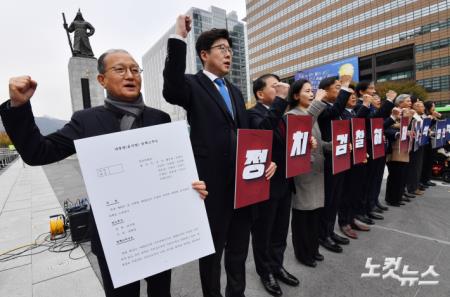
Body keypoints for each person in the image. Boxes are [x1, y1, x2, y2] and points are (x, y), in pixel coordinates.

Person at [0, 49, 208, 297]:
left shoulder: (160, 119)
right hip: (115, 236)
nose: (130, 75)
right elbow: (38, 153)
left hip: (158, 229)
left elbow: (173, 170)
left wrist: (191, 186)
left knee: (161, 291)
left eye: (134, 69)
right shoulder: (86, 121)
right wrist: (19, 107)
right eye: (119, 70)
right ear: (101, 80)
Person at [162, 16, 276, 297]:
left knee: (238, 251)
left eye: (230, 48)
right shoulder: (192, 85)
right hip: (211, 186)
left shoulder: (236, 91)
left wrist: (265, 161)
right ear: (204, 54)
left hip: (242, 187)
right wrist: (179, 37)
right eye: (221, 48)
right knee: (211, 254)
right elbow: (171, 89)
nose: (228, 53)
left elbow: (248, 134)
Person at [248, 74, 299, 297]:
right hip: (265, 186)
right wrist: (280, 100)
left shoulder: (284, 117)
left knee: (280, 231)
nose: (282, 89)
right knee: (263, 233)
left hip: (286, 183)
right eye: (275, 86)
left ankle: (278, 266)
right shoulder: (253, 114)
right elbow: (262, 135)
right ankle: (265, 271)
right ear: (260, 94)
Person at [285, 79, 327, 268]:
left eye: (313, 91)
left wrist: (335, 146)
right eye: (308, 91)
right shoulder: (291, 115)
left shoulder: (310, 116)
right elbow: (302, 128)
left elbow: (319, 143)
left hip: (317, 171)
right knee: (303, 215)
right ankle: (303, 253)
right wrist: (318, 102)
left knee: (315, 213)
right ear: (295, 95)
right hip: (302, 174)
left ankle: (313, 249)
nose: (312, 94)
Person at [316, 75, 353, 253]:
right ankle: (323, 235)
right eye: (337, 87)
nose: (340, 90)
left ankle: (330, 231)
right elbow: (336, 110)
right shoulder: (322, 107)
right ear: (325, 90)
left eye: (340, 87)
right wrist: (345, 86)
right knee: (328, 200)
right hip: (328, 160)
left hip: (340, 157)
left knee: (336, 198)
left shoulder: (338, 111)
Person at [384, 94, 414, 207]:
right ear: (400, 102)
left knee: (402, 174)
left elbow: (409, 127)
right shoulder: (394, 112)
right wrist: (400, 127)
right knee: (395, 175)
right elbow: (387, 126)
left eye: (410, 101)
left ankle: (398, 196)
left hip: (405, 147)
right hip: (394, 148)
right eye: (407, 100)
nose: (410, 103)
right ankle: (392, 198)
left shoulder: (409, 112)